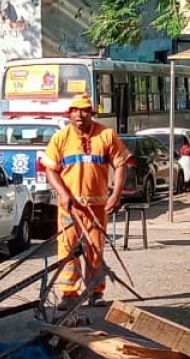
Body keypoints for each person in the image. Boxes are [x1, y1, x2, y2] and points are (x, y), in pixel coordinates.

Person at [38, 94, 130, 304]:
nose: (80, 115)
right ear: (69, 113)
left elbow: (121, 164)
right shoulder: (61, 138)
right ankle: (69, 294)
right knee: (68, 250)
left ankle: (95, 292)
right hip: (70, 208)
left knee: (95, 250)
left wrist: (116, 193)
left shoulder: (106, 135)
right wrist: (63, 193)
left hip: (97, 207)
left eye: (85, 110)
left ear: (92, 113)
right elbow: (51, 170)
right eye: (75, 110)